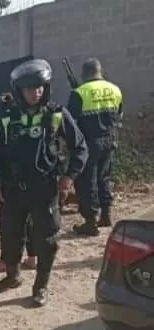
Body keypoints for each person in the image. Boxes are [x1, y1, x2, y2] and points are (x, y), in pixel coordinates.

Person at [0, 58, 89, 306]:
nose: (36, 92)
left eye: (40, 87)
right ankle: (13, 276)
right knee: (10, 236)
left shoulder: (57, 115)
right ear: (19, 91)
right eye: (30, 88)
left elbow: (80, 147)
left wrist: (69, 177)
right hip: (13, 190)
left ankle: (40, 285)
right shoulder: (8, 118)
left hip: (45, 189)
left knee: (47, 239)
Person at [67, 58, 124, 236]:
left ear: (84, 75)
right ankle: (106, 215)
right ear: (101, 72)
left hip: (90, 142)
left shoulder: (80, 92)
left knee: (86, 181)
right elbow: (119, 115)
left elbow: (71, 121)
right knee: (104, 177)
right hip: (110, 139)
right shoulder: (115, 89)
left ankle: (90, 222)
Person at [0, 92, 36, 273]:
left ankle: (6, 260)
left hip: (9, 182)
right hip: (32, 181)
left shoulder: (1, 126)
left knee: (7, 223)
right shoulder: (34, 122)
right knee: (29, 219)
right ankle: (32, 257)